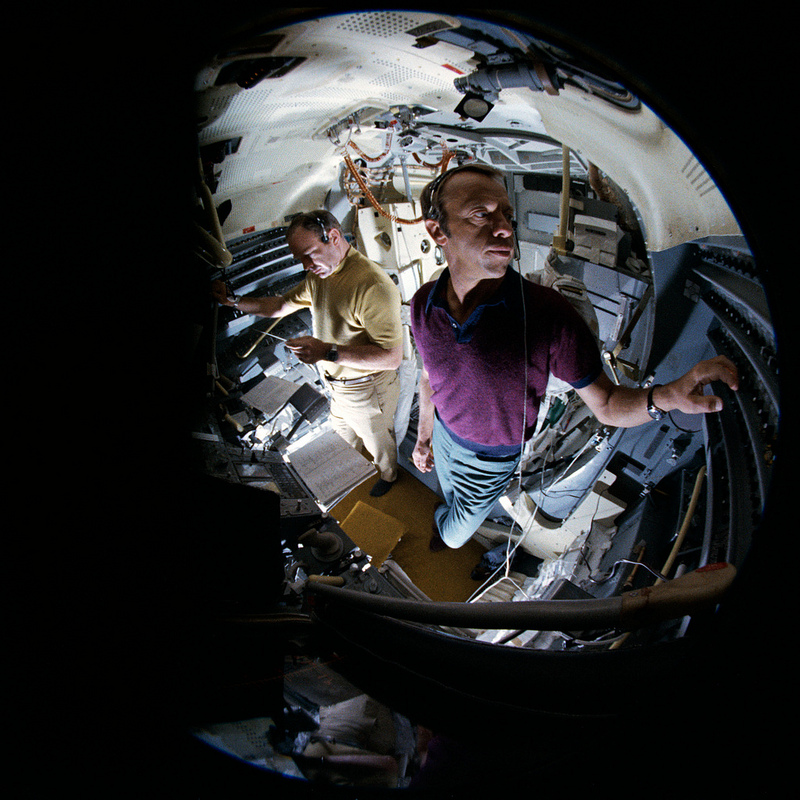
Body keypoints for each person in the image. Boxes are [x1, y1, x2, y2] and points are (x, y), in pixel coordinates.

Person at [409, 164, 739, 551]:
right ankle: (445, 507)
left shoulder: (547, 314)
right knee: (447, 491)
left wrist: (666, 398)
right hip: (447, 436)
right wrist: (424, 435)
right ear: (437, 231)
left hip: (490, 462)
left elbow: (609, 404)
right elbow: (431, 375)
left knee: (453, 537)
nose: (503, 228)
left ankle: (441, 525)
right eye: (481, 214)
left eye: (508, 216)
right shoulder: (422, 304)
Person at [211, 210, 404, 497]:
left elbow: (392, 358)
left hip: (366, 390)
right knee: (342, 437)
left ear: (334, 237)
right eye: (300, 259)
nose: (306, 265)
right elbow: (278, 306)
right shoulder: (320, 275)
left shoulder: (372, 286)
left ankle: (390, 477)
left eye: (309, 254)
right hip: (337, 386)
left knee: (379, 444)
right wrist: (234, 301)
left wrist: (328, 351)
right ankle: (350, 473)